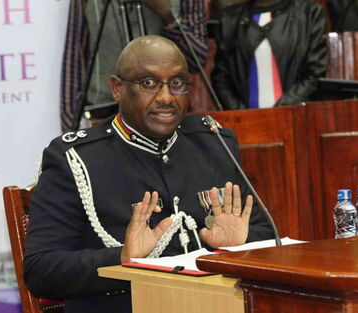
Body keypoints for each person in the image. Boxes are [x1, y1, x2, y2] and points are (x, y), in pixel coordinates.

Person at [25, 35, 274, 313]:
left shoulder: (215, 144)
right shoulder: (75, 158)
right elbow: (41, 271)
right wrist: (123, 258)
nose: (166, 97)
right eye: (149, 83)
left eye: (177, 83)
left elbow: (268, 235)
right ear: (117, 88)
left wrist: (240, 243)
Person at [60, 0, 208, 130]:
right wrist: (69, 126)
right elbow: (74, 57)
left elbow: (197, 59)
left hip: (166, 116)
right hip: (104, 115)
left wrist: (167, 17)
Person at [211, 0, 327, 110]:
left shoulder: (309, 13)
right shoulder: (230, 19)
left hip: (295, 118)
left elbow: (314, 73)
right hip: (244, 123)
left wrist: (282, 109)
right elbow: (221, 78)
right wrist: (242, 114)